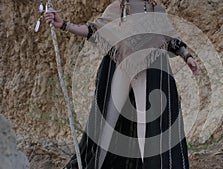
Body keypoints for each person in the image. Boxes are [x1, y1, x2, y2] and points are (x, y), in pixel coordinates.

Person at [45, 0, 199, 168]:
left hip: (151, 71)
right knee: (106, 124)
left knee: (147, 127)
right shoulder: (117, 8)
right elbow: (94, 30)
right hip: (119, 68)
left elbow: (171, 40)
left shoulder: (157, 9)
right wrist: (64, 25)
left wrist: (187, 56)